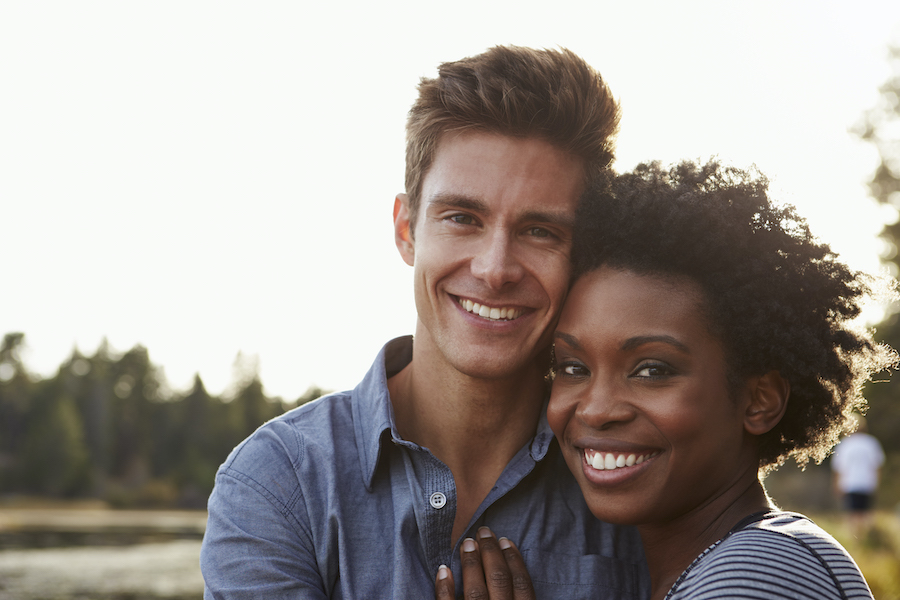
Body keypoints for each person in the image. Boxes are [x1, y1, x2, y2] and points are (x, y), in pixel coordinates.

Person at [200, 46, 649, 598]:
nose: (495, 269)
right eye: (462, 218)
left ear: (583, 253)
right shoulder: (279, 483)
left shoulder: (634, 470)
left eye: (540, 231)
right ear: (406, 228)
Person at [437, 160, 895, 600]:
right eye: (573, 367)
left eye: (652, 370)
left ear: (760, 400)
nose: (596, 409)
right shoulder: (713, 565)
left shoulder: (755, 573)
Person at [832, 415, 885, 537]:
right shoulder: (871, 443)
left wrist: (836, 485)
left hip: (849, 484)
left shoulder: (844, 445)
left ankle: (855, 538)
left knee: (852, 514)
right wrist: (876, 483)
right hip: (867, 483)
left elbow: (839, 468)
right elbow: (877, 466)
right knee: (866, 513)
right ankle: (867, 538)